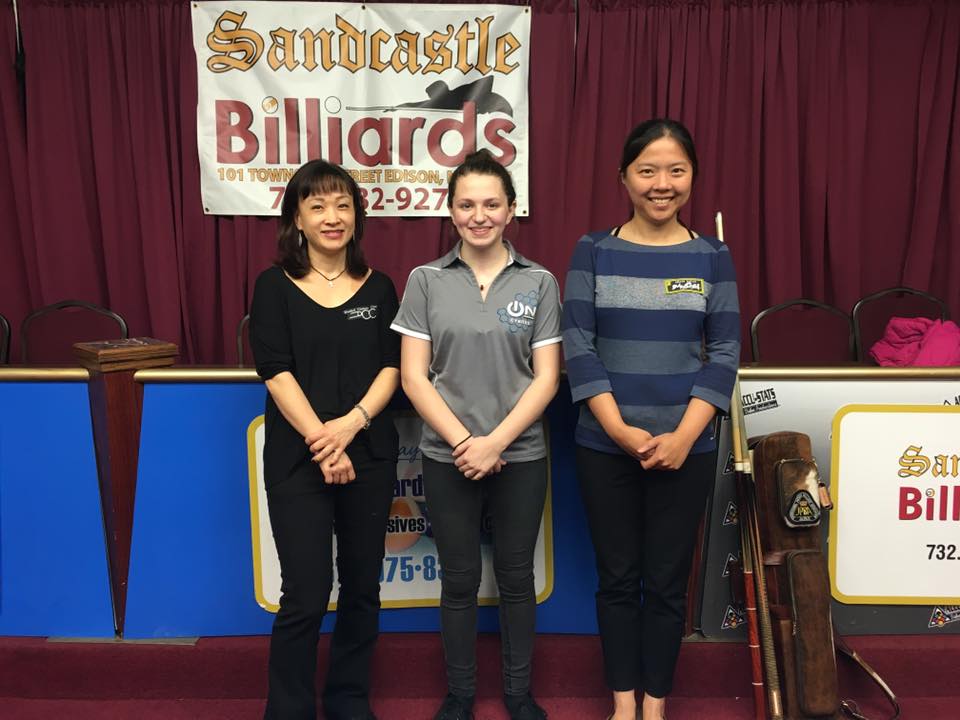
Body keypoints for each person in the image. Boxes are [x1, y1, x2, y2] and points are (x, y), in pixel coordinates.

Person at [561, 119, 740, 720]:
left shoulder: (712, 256)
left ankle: (655, 705)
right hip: (604, 445)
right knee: (617, 579)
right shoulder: (593, 250)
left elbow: (726, 351)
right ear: (624, 178)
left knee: (666, 583)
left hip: (688, 448)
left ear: (692, 177)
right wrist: (618, 429)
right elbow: (578, 344)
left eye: (676, 170)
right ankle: (622, 705)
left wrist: (685, 436)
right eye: (647, 170)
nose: (662, 184)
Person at [391, 150, 561, 720]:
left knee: (516, 578)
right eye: (467, 204)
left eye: (491, 204)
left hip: (522, 453)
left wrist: (495, 443)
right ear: (451, 210)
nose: (479, 215)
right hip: (448, 456)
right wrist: (467, 444)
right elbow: (414, 378)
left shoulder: (539, 282)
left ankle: (518, 694)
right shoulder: (426, 280)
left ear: (511, 210)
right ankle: (460, 695)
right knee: (459, 580)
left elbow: (546, 378)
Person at [249, 160, 400, 720]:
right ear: (297, 219)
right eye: (317, 206)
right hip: (299, 459)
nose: (332, 217)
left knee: (362, 589)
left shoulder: (381, 287)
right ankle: (289, 709)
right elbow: (275, 371)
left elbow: (393, 367)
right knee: (305, 594)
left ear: (357, 215)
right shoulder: (273, 286)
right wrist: (323, 441)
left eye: (342, 205)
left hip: (369, 454)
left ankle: (348, 701)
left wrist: (351, 424)